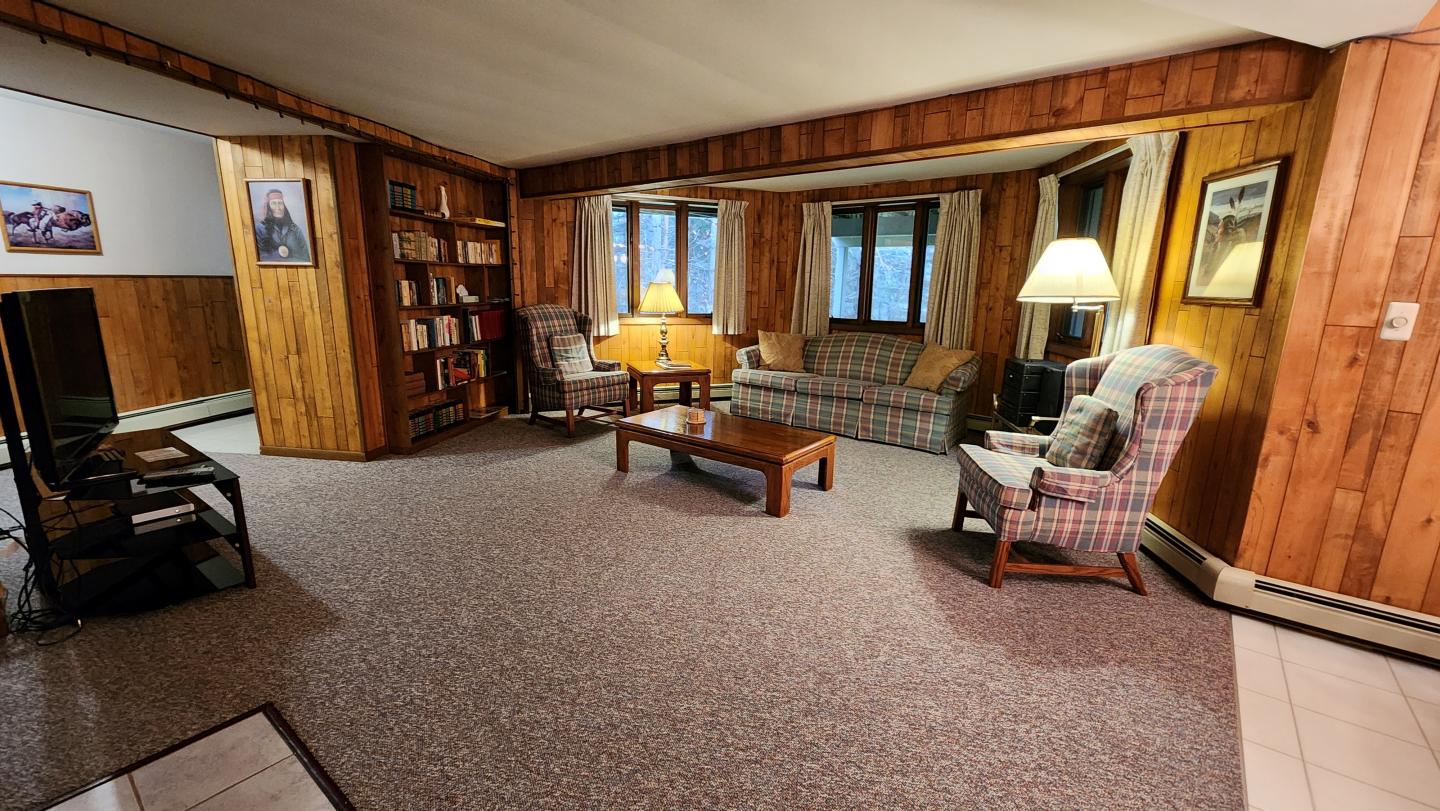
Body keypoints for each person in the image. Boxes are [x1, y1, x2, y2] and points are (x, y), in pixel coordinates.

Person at [253, 188, 311, 263]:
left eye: (280, 203)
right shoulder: (259, 229)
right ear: (268, 207)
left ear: (284, 206)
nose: (278, 208)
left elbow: (306, 258)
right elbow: (258, 257)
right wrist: (279, 254)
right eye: (273, 203)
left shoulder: (295, 229)